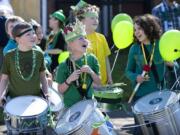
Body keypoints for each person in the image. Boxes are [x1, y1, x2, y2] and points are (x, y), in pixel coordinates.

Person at [0, 22, 49, 106]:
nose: (33, 36)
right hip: (14, 101)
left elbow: (43, 77)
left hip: (35, 100)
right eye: (28, 34)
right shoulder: (9, 55)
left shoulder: (39, 54)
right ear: (18, 39)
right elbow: (4, 79)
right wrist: (1, 95)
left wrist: (46, 93)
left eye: (33, 33)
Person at [56, 20, 101, 108]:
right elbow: (60, 90)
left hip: (89, 105)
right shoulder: (63, 65)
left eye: (85, 38)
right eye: (81, 38)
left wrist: (91, 72)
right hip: (71, 108)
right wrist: (69, 80)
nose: (85, 41)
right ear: (70, 43)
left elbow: (99, 83)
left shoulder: (91, 59)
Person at [125, 14, 165, 102]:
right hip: (140, 95)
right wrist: (136, 77)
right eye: (135, 30)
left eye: (139, 29)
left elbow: (175, 67)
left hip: (160, 94)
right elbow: (128, 71)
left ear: (149, 28)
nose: (136, 32)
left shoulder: (161, 45)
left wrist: (172, 64)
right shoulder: (134, 48)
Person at [72, 1, 113, 85]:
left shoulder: (102, 38)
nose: (96, 20)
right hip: (87, 85)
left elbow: (106, 59)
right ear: (82, 21)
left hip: (103, 83)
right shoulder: (78, 40)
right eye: (92, 18)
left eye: (96, 18)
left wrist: (110, 77)